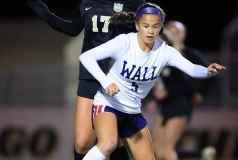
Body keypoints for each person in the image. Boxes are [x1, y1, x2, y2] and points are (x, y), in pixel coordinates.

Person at [78, 2, 226, 160]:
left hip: (132, 112)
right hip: (109, 104)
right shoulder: (124, 42)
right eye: (146, 25)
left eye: (155, 26)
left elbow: (191, 69)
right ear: (137, 25)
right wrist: (105, 82)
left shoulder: (165, 51)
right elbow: (86, 57)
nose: (150, 31)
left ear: (160, 27)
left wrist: (207, 71)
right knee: (109, 143)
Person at [27, 0, 146, 160]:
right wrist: (49, 17)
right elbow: (74, 29)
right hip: (90, 76)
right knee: (83, 143)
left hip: (119, 79)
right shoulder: (86, 3)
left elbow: (153, 30)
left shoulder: (133, 3)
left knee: (113, 140)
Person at [150, 21, 217, 160]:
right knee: (158, 151)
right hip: (166, 104)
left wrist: (198, 93)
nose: (172, 34)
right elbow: (162, 82)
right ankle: (200, 154)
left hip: (180, 104)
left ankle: (200, 154)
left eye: (176, 31)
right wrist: (155, 98)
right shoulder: (162, 54)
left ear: (183, 36)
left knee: (167, 150)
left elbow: (190, 82)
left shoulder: (185, 54)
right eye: (169, 31)